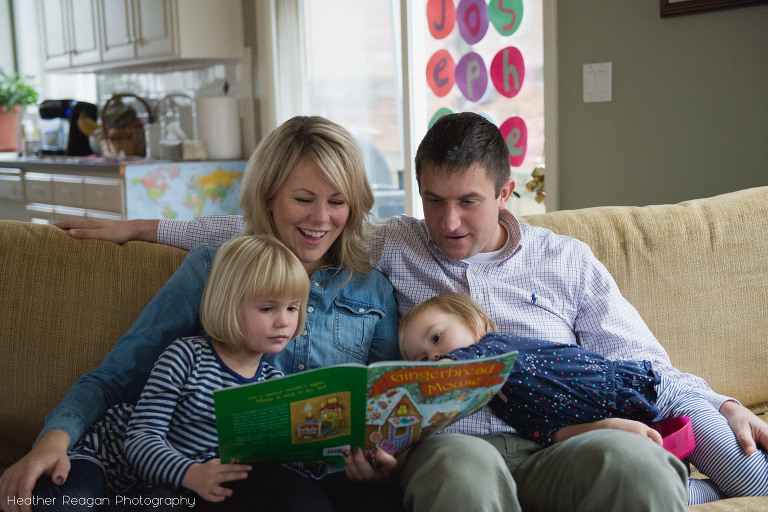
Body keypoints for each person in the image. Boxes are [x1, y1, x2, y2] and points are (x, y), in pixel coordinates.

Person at [35, 112, 768, 511]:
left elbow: (642, 363)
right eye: (434, 201)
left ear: (505, 193)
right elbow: (265, 237)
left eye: (469, 202)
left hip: (561, 439)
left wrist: (720, 404)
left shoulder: (557, 260)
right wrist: (142, 226)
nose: (449, 223)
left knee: (637, 464)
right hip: (441, 449)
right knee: (456, 476)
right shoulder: (382, 247)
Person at [0, 116, 403, 512]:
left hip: (323, 475)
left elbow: (382, 411)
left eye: (337, 202)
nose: (321, 218)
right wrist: (53, 439)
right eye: (303, 199)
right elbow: (117, 376)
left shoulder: (373, 290)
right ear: (268, 197)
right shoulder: (214, 268)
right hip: (211, 473)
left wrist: (383, 459)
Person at [34, 234, 321, 511]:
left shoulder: (273, 385)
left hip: (166, 488)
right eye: (268, 308)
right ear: (228, 305)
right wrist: (190, 473)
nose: (284, 322)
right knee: (64, 503)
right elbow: (140, 440)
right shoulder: (186, 356)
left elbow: (270, 461)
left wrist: (314, 455)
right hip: (109, 463)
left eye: (292, 308)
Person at [399, 292, 768, 504]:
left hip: (657, 394)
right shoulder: (504, 402)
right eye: (421, 360)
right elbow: (553, 433)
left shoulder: (497, 349)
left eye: (436, 338)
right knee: (673, 491)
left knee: (755, 482)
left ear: (473, 321)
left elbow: (468, 364)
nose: (434, 357)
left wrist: (726, 404)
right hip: (628, 431)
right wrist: (608, 426)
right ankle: (715, 490)